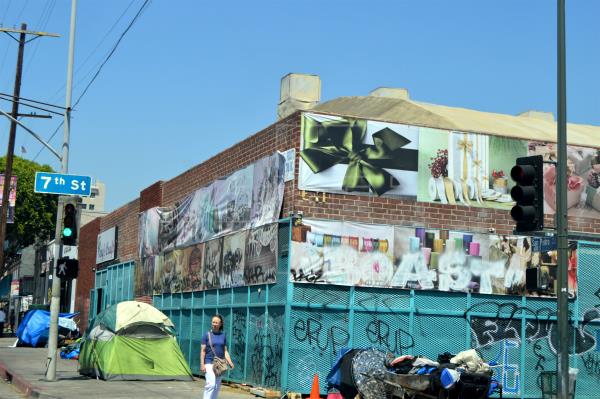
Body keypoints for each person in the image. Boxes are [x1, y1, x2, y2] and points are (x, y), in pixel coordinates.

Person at [201, 314, 234, 399]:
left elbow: (225, 350)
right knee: (211, 384)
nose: (214, 324)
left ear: (220, 324)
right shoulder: (206, 335)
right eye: (213, 322)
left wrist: (230, 362)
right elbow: (203, 351)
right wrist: (202, 364)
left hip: (219, 364)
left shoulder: (223, 335)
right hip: (209, 363)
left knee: (216, 386)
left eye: (216, 322)